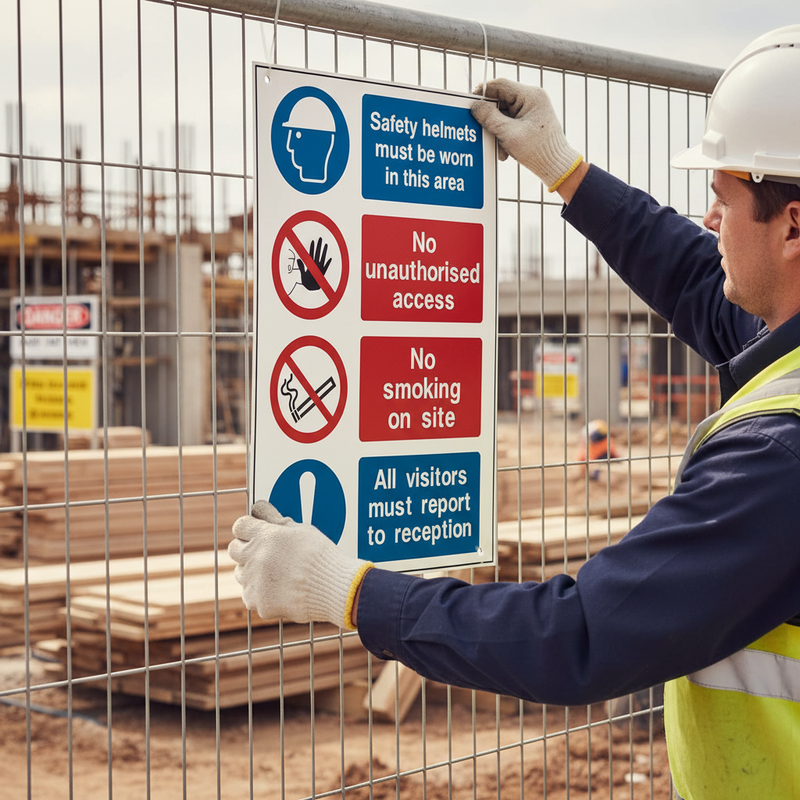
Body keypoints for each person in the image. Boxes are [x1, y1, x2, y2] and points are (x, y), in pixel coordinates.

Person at [229, 25, 800, 800]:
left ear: (793, 225)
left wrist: (348, 589)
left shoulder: (778, 455)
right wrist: (567, 171)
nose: (707, 219)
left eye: (722, 198)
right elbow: (704, 281)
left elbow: (580, 636)